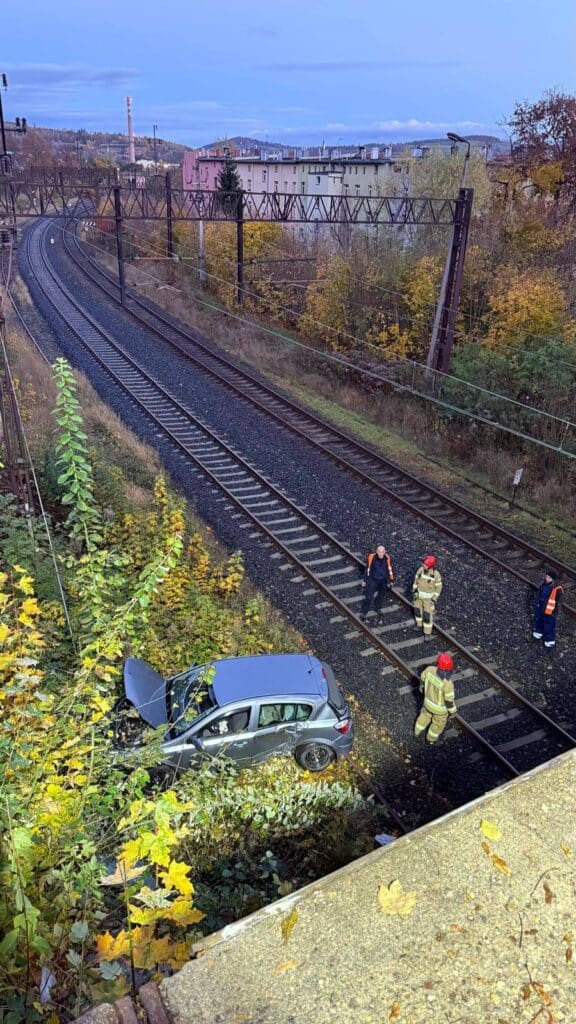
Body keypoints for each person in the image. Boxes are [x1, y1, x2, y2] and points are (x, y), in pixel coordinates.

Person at [414, 653, 457, 743]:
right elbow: (449, 701)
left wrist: (421, 687)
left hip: (427, 703)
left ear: (438, 663)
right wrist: (453, 712)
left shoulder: (429, 670)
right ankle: (430, 740)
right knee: (437, 725)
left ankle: (417, 732)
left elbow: (422, 680)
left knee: (424, 716)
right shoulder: (448, 684)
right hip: (440, 710)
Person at [360, 544, 394, 621]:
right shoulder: (371, 557)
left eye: (382, 552)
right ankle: (364, 611)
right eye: (379, 551)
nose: (381, 553)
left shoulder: (387, 558)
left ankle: (377, 607)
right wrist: (364, 580)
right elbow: (367, 569)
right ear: (376, 551)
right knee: (368, 597)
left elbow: (389, 570)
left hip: (383, 580)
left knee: (381, 595)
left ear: (385, 552)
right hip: (373, 579)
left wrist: (390, 581)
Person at [412, 555, 442, 636]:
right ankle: (419, 625)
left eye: (425, 565)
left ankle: (427, 633)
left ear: (430, 566)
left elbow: (439, 587)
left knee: (427, 616)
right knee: (418, 611)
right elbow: (416, 581)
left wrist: (434, 599)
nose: (423, 566)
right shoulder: (421, 570)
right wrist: (414, 592)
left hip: (428, 600)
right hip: (418, 597)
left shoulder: (436, 574)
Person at [533, 570, 564, 649]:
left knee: (549, 625)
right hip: (541, 607)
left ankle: (550, 639)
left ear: (553, 579)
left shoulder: (557, 589)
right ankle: (539, 631)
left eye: (549, 577)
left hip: (550, 611)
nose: (547, 578)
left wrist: (555, 611)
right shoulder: (543, 584)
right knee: (539, 620)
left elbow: (559, 602)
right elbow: (539, 595)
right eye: (546, 576)